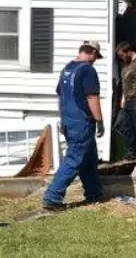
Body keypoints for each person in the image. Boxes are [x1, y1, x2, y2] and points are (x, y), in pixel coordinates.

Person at [42, 40, 106, 211]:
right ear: (91, 52)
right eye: (96, 57)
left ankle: (94, 193)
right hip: (82, 121)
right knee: (74, 158)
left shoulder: (67, 69)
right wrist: (99, 120)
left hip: (69, 120)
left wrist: (63, 119)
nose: (95, 60)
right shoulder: (87, 70)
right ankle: (52, 197)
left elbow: (61, 97)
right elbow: (91, 97)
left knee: (89, 158)